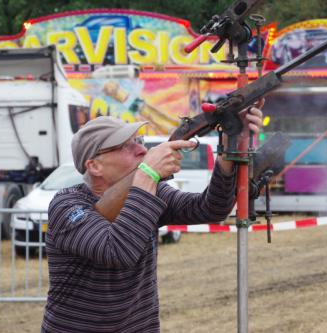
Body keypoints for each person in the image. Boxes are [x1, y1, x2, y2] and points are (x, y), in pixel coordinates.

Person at [41, 106, 264, 333]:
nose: (141, 149)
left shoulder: (149, 190)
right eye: (126, 145)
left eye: (139, 140)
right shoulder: (67, 205)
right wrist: (147, 175)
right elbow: (118, 251)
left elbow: (212, 209)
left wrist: (229, 147)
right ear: (94, 166)